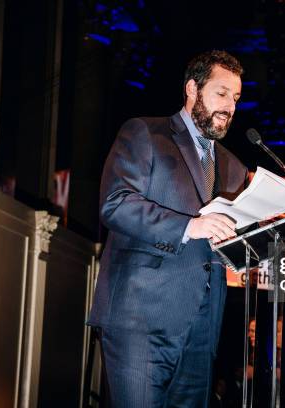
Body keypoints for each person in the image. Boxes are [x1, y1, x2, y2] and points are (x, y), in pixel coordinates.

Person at [87, 50, 249, 407]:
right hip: (141, 317)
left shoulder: (234, 167)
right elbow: (115, 204)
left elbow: (231, 243)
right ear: (192, 89)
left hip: (203, 329)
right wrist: (190, 226)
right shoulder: (145, 132)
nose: (230, 106)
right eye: (221, 93)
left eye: (235, 98)